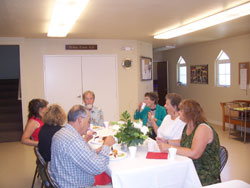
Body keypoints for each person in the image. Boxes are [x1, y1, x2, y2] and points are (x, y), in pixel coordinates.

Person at [157, 99, 221, 186]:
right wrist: (167, 141)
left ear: (189, 113)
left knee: (171, 180)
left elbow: (194, 153)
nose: (179, 113)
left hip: (204, 171)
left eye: (181, 110)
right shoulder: (188, 126)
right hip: (190, 165)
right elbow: (184, 142)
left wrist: (169, 148)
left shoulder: (202, 128)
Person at [50, 105, 115, 188]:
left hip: (63, 180)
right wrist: (106, 145)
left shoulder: (61, 133)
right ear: (80, 120)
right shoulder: (73, 140)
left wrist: (96, 151)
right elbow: (98, 167)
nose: (89, 125)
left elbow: (78, 155)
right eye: (88, 121)